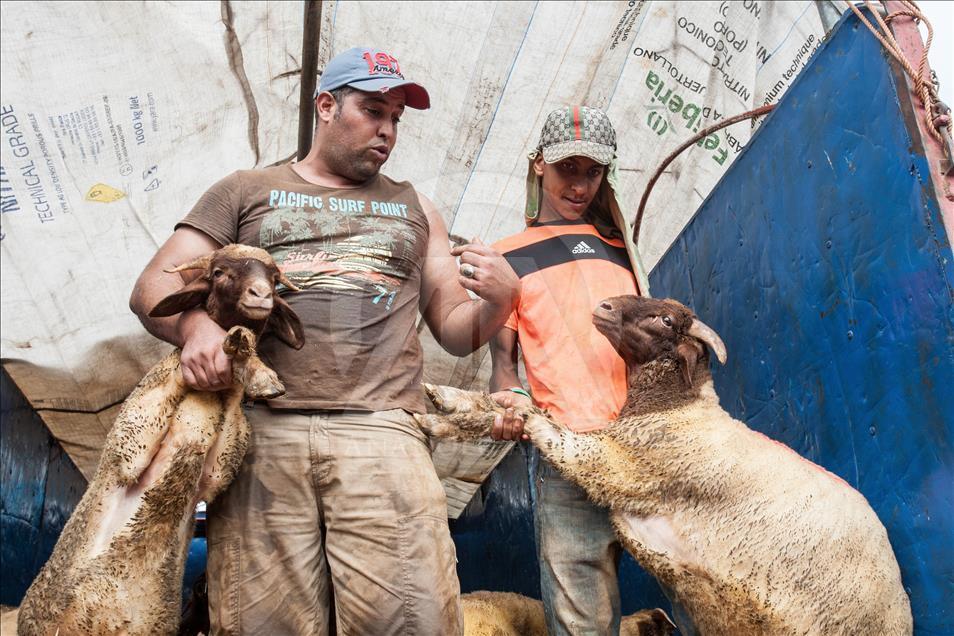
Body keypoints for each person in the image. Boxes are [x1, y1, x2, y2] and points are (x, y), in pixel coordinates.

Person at [129, 46, 520, 636]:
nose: (387, 131)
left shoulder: (416, 207)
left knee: (410, 621)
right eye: (373, 111)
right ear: (327, 105)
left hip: (383, 434)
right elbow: (153, 284)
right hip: (262, 435)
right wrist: (196, 326)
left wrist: (501, 299)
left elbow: (457, 331)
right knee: (263, 624)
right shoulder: (245, 189)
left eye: (396, 118)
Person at [487, 106, 654, 635]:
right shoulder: (506, 256)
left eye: (593, 172)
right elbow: (501, 366)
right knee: (583, 620)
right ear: (539, 165)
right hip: (569, 455)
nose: (579, 185)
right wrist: (507, 398)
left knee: (701, 586)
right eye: (567, 169)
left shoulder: (625, 251)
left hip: (646, 446)